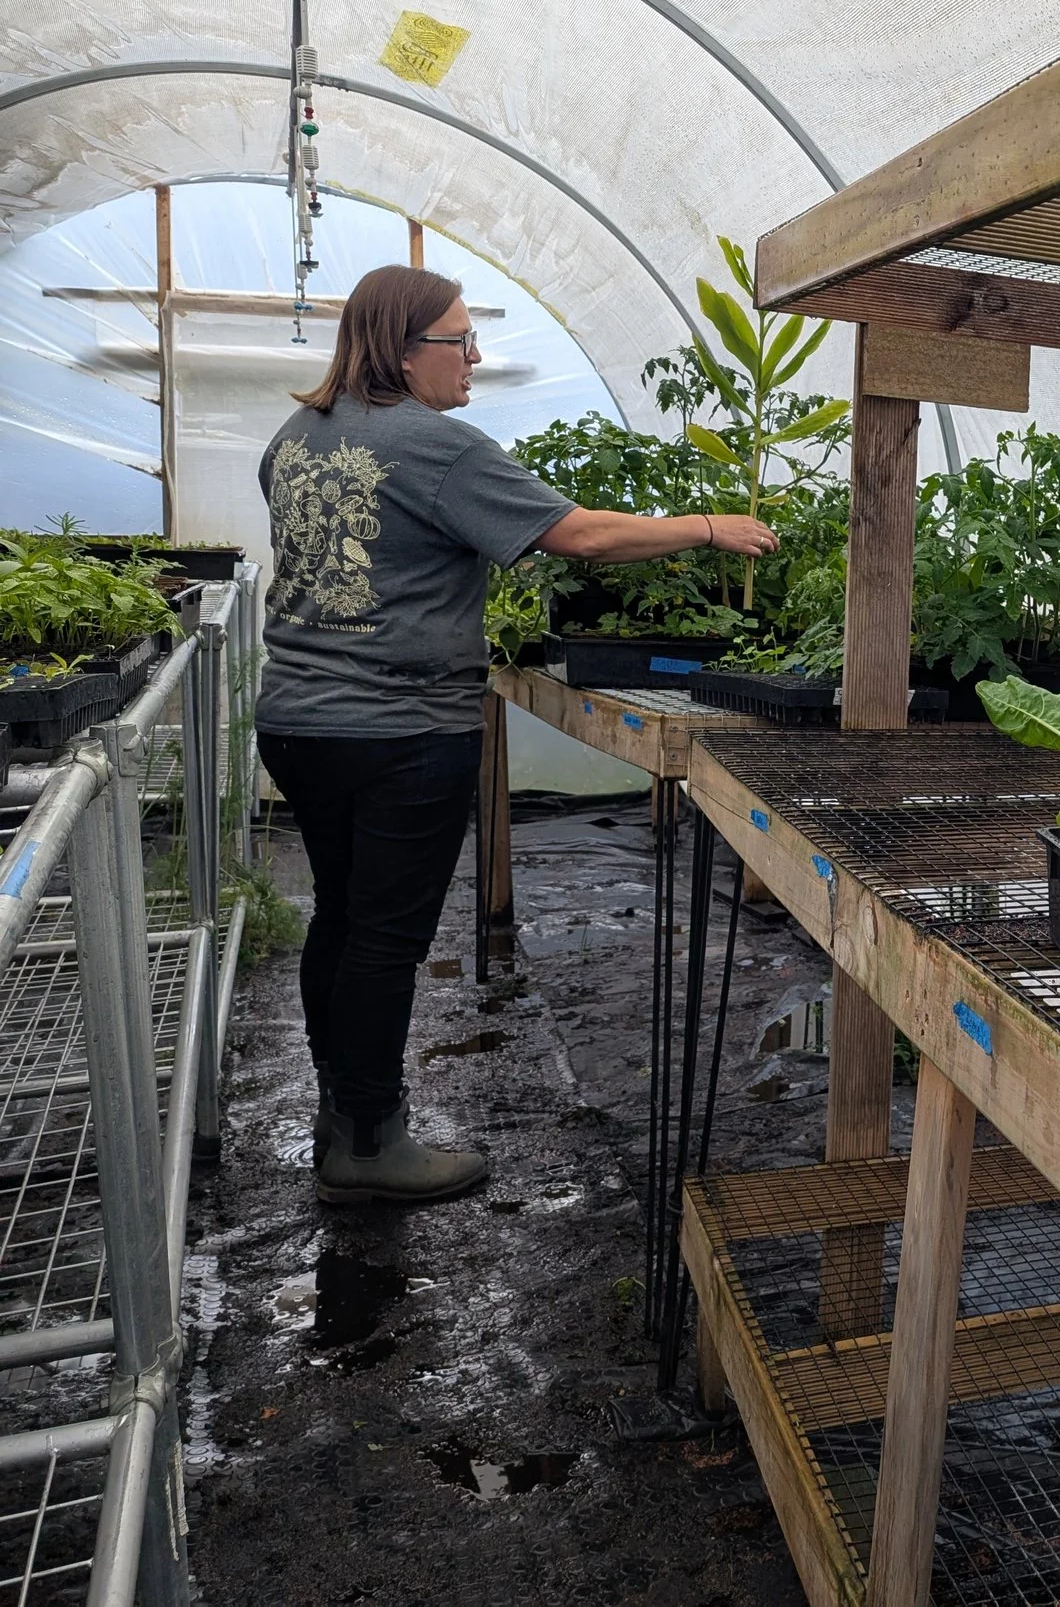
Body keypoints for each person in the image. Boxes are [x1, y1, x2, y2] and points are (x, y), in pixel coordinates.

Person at [256, 264, 775, 1205]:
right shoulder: (435, 445)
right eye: (460, 340)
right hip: (399, 731)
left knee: (339, 919)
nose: (475, 359)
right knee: (384, 939)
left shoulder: (296, 439)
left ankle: (344, 1112)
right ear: (404, 351)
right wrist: (704, 526)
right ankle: (371, 1146)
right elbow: (578, 537)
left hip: (297, 722)